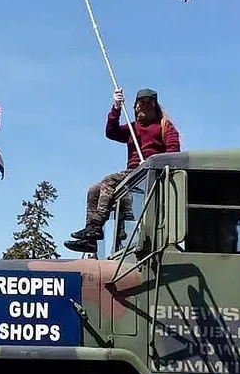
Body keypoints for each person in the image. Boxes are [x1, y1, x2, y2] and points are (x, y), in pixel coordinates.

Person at [64, 86, 181, 254]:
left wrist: (155, 164)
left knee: (109, 181)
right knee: (94, 190)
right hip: (132, 173)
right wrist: (116, 107)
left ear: (155, 106)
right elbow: (111, 132)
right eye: (139, 103)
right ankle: (91, 237)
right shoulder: (133, 128)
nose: (142, 107)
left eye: (147, 103)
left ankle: (96, 226)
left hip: (148, 172)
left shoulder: (164, 127)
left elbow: (173, 153)